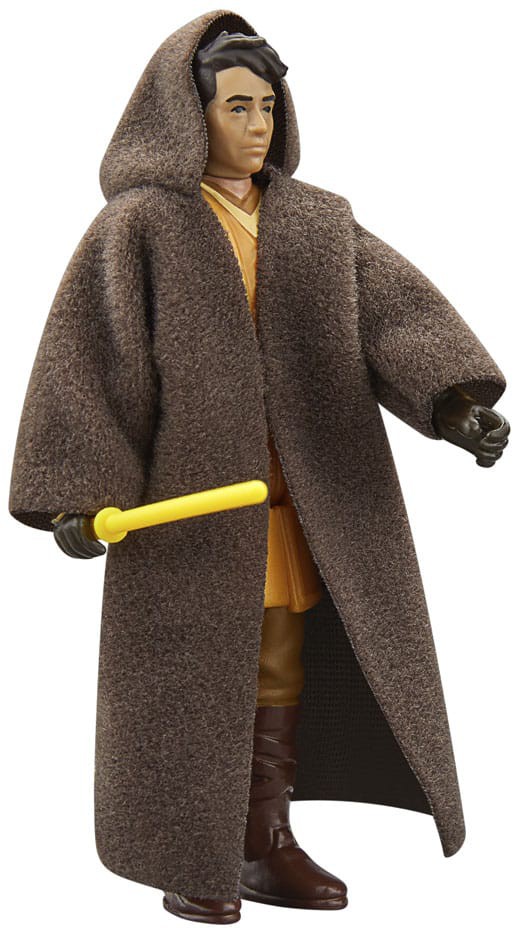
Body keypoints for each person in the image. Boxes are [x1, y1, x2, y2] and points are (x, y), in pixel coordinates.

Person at [9, 10, 510, 925]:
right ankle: (188, 852)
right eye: (235, 107)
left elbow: (391, 318)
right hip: (191, 511)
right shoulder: (140, 228)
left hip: (307, 497)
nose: (257, 126)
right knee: (195, 680)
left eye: (268, 107)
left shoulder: (315, 222)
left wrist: (451, 403)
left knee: (279, 665)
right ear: (184, 114)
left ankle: (261, 837)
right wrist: (76, 493)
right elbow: (94, 361)